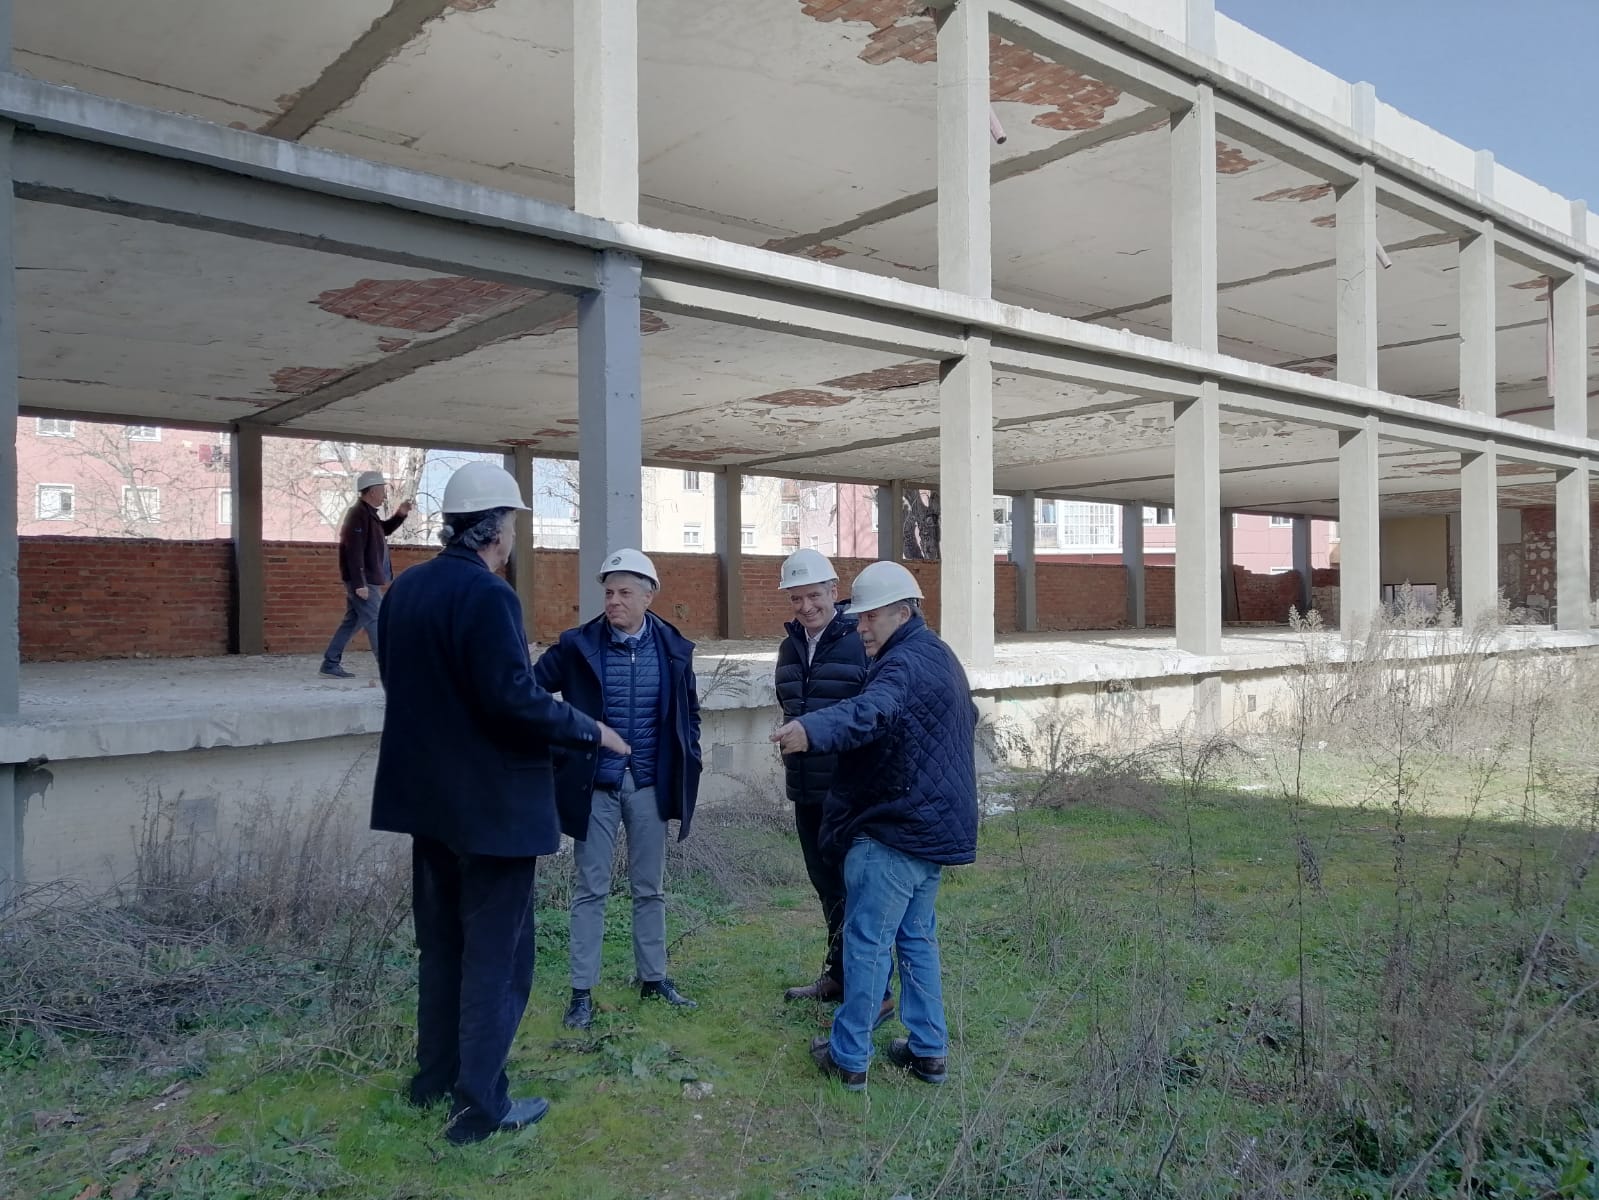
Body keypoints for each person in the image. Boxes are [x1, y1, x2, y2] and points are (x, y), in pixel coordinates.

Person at [371, 461, 629, 1145]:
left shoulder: (405, 591)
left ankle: (435, 1080)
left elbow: (406, 686)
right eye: (512, 523)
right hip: (492, 812)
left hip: (428, 804)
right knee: (497, 958)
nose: (512, 537)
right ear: (496, 530)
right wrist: (587, 729)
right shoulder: (489, 597)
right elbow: (511, 702)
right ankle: (480, 1107)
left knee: (443, 947)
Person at [772, 561, 978, 1091]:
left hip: (895, 826)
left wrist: (810, 730)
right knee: (916, 939)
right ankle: (928, 1051)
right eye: (858, 618)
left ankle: (848, 1056)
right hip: (933, 826)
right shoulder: (939, 655)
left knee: (866, 943)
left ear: (903, 611)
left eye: (869, 618)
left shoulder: (901, 664)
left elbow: (871, 711)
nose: (860, 627)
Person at [533, 549, 704, 1030]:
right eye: (608, 592)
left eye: (625, 593)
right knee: (591, 888)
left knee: (649, 888)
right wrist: (560, 748)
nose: (613, 601)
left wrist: (691, 755)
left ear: (649, 596)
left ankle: (654, 978)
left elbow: (688, 714)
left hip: (648, 784)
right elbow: (528, 693)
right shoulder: (576, 646)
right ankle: (581, 992)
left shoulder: (673, 649)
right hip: (597, 787)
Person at [772, 549, 894, 1030]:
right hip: (806, 790)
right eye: (796, 597)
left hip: (849, 792)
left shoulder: (858, 642)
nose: (806, 606)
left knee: (859, 891)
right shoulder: (789, 648)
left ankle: (876, 992)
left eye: (814, 595)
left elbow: (873, 716)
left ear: (832, 591)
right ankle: (841, 976)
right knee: (827, 888)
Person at [320, 469, 412, 679]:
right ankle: (389, 668)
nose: (384, 494)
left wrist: (400, 514)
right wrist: (359, 583)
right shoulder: (358, 514)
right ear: (371, 491)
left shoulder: (369, 515)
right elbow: (353, 550)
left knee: (352, 621)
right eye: (381, 490)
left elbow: (384, 530)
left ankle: (330, 662)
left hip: (366, 579)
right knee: (376, 621)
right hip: (363, 581)